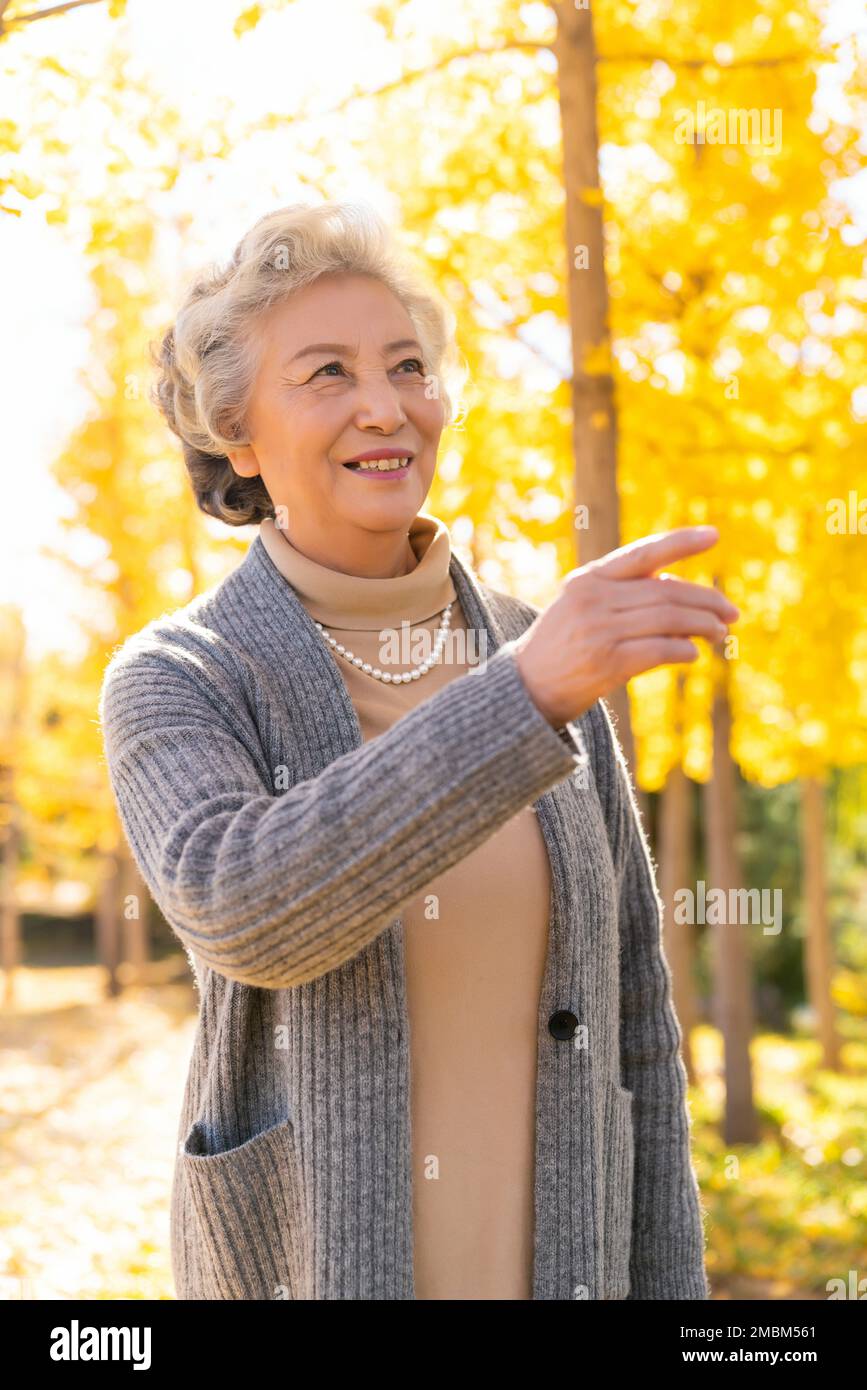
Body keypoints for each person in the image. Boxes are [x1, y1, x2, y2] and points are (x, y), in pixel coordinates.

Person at [99, 200, 737, 1300]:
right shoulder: (181, 675)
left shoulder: (544, 646)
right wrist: (520, 698)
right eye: (328, 374)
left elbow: (637, 1017)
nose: (387, 407)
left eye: (407, 366)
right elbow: (247, 908)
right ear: (237, 434)